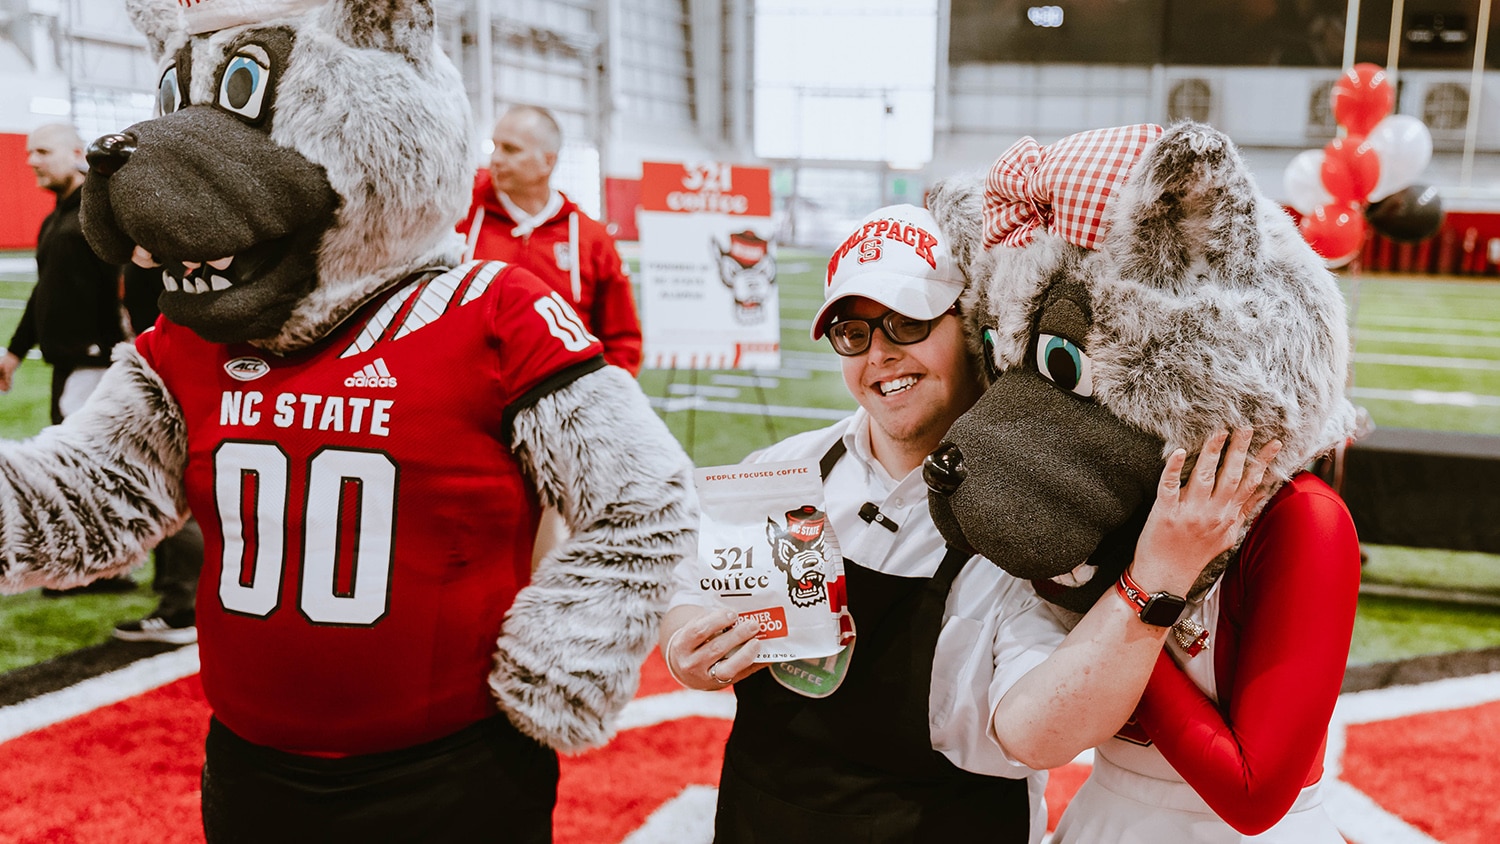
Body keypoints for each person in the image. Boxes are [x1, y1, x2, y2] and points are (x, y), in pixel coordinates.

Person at [659, 204, 1279, 842]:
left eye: (908, 322)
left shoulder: (1030, 516)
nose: (881, 355)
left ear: (975, 323)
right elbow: (686, 590)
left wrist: (1158, 576)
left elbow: (1040, 734)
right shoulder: (783, 471)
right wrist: (687, 650)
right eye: (853, 332)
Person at [1050, 477, 1360, 840]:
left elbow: (1253, 798)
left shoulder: (1302, 512)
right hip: (1099, 815)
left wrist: (1116, 607)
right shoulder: (1101, 484)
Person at [2, 123, 134, 597]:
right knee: (77, 467)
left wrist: (122, 350)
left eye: (42, 150)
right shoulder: (55, 219)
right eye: (27, 151)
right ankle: (99, 566)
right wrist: (15, 353)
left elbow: (125, 288)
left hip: (96, 363)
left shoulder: (97, 214)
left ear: (77, 153)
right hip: (67, 363)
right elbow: (45, 292)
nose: (31, 160)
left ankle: (103, 568)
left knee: (89, 467)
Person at [460, 104, 642, 375]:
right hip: (472, 400)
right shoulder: (460, 217)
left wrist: (596, 399)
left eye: (510, 149)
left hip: (562, 404)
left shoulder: (592, 238)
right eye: (493, 146)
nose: (495, 159)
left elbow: (623, 341)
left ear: (548, 161)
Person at [110, 263, 202, 644]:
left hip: (172, 369)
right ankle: (180, 590)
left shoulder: (163, 249)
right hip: (176, 365)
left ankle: (184, 606)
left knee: (172, 489)